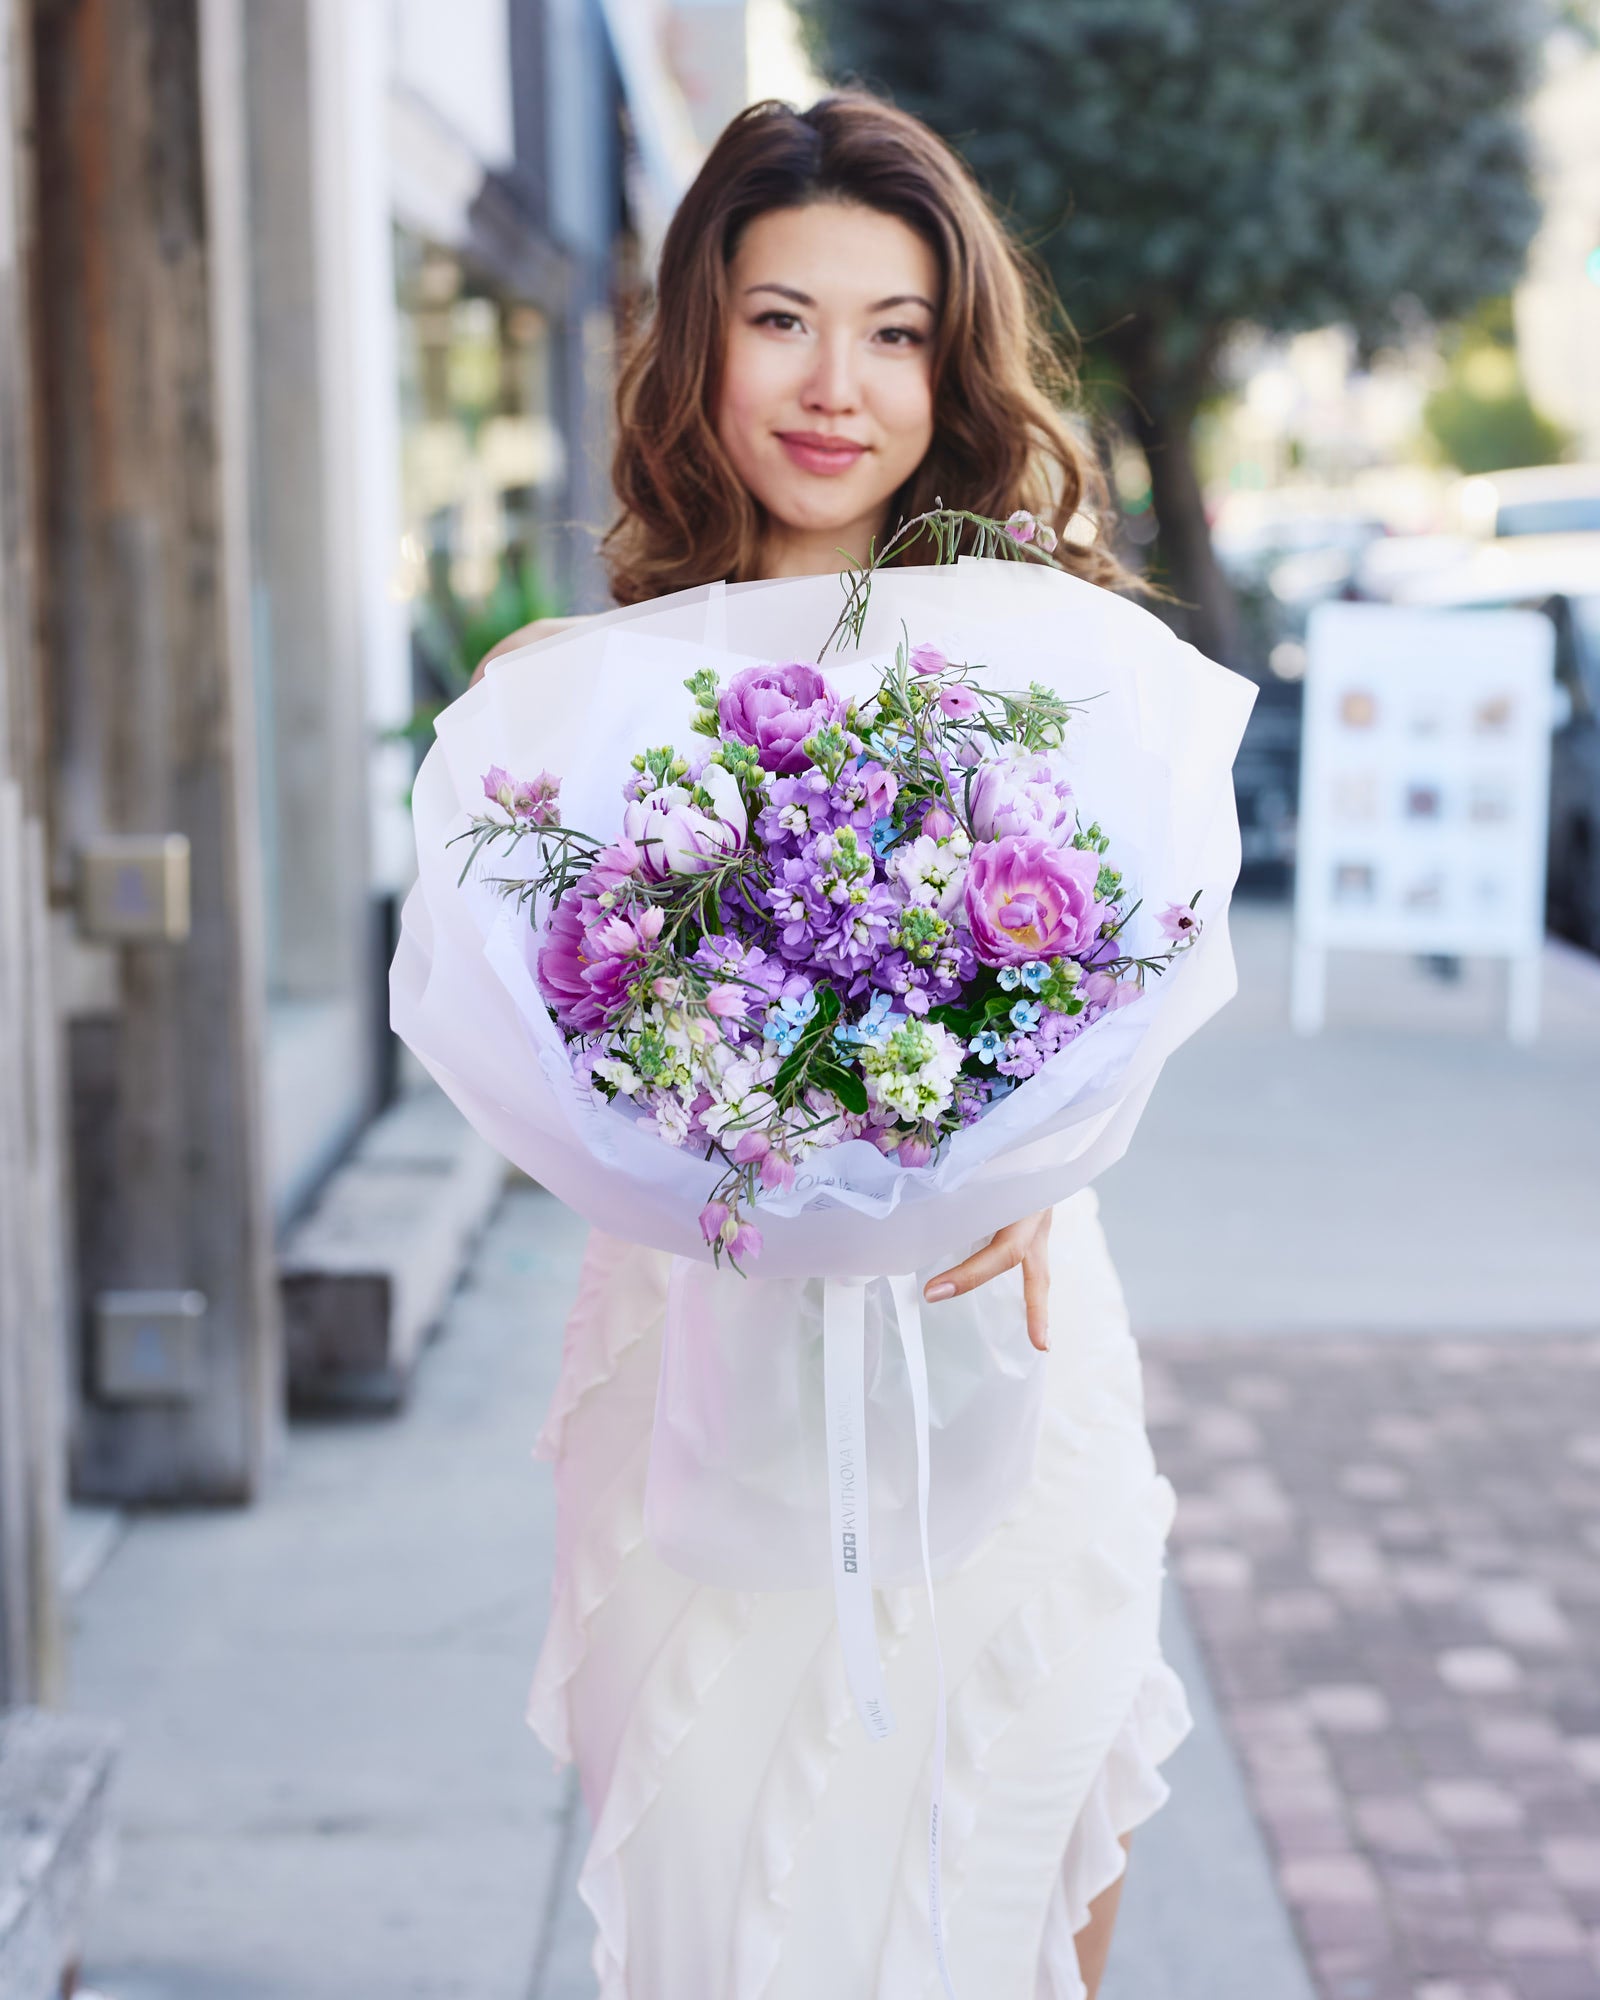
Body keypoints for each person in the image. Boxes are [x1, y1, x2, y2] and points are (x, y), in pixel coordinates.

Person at [477, 93, 1191, 2000]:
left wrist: (1049, 1163)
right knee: (731, 1875)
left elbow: (1128, 975)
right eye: (782, 316)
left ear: (950, 365)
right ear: (699, 327)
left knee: (1018, 1828)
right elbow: (541, 1039)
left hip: (1007, 1322)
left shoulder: (1049, 653)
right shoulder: (576, 696)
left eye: (893, 331)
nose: (835, 385)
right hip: (700, 1348)